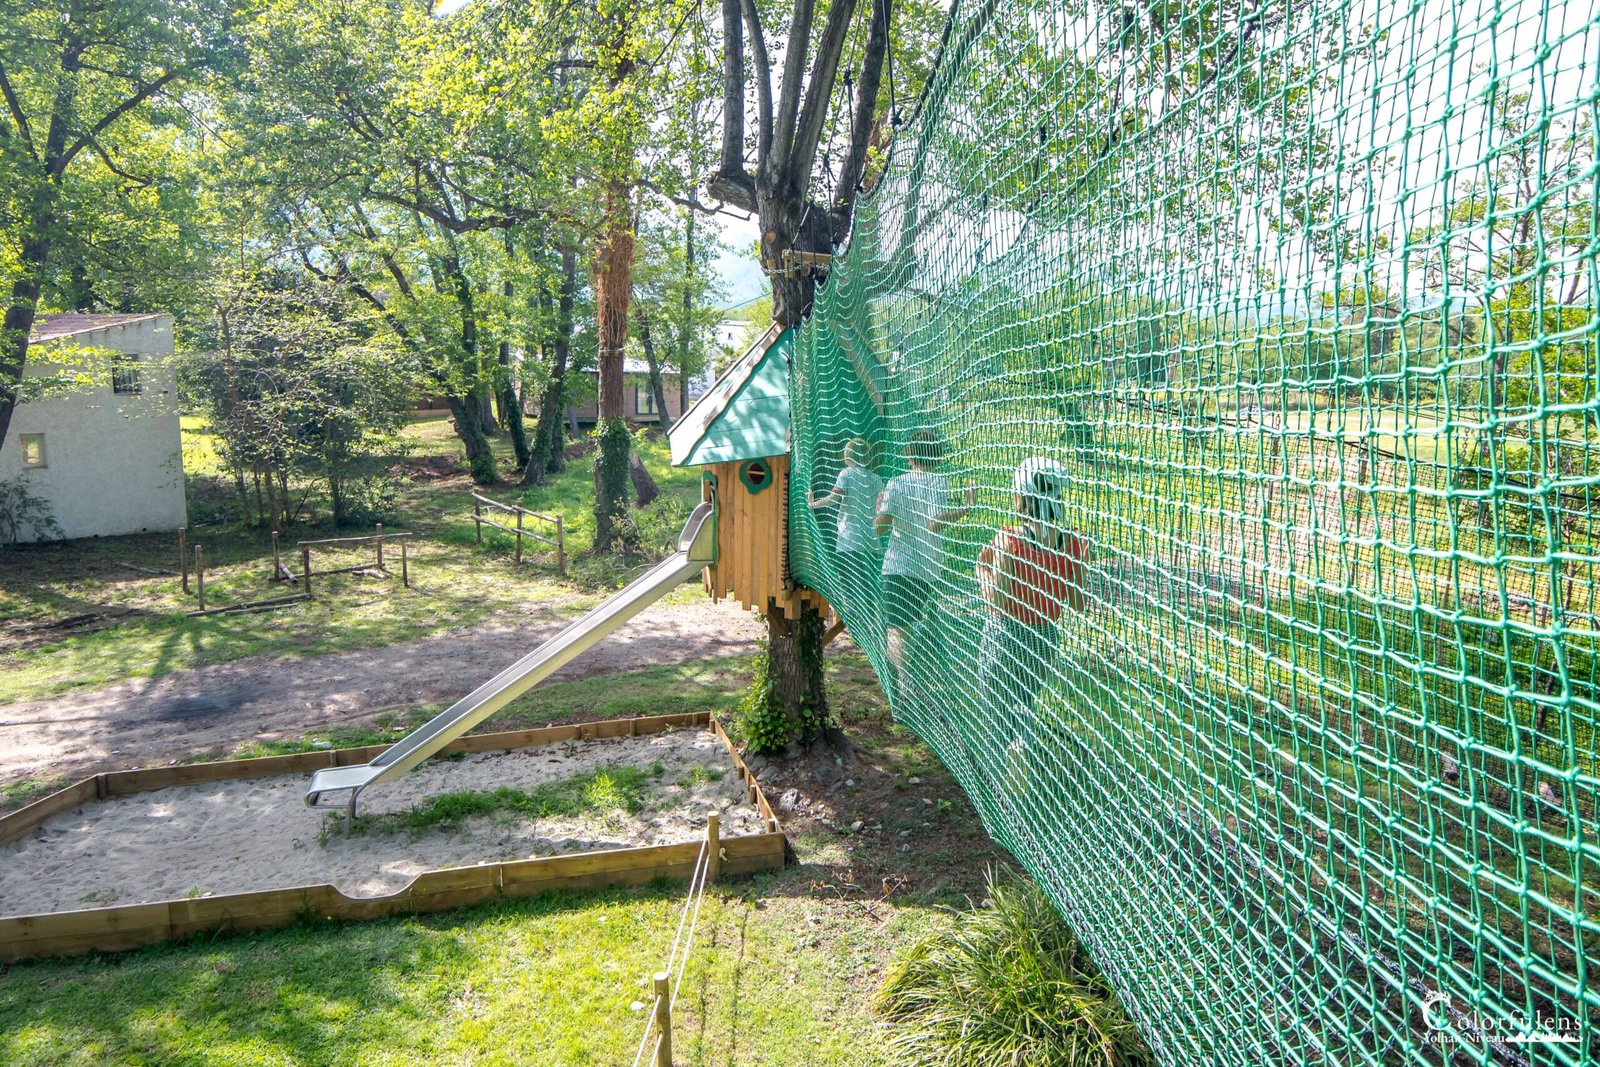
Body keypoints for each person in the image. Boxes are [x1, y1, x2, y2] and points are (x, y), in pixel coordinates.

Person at [975, 457, 1086, 738]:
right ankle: (1022, 761)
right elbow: (1078, 603)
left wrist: (981, 571)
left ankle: (1001, 773)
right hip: (1044, 637)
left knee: (995, 712)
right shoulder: (1074, 542)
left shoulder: (1009, 539)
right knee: (1022, 705)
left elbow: (995, 600)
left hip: (1006, 635)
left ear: (1021, 496)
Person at [875, 429, 974, 682]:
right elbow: (935, 524)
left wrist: (879, 509)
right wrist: (965, 508)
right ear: (937, 457)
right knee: (907, 627)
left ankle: (904, 681)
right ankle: (907, 678)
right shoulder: (938, 482)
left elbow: (880, 528)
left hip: (897, 565)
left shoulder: (896, 483)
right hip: (926, 568)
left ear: (909, 456)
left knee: (897, 628)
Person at [808, 438, 884, 588]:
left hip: (849, 541)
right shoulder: (877, 479)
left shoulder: (846, 474)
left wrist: (813, 503)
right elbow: (880, 508)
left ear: (848, 456)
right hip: (872, 543)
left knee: (850, 588)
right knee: (868, 589)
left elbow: (833, 499)